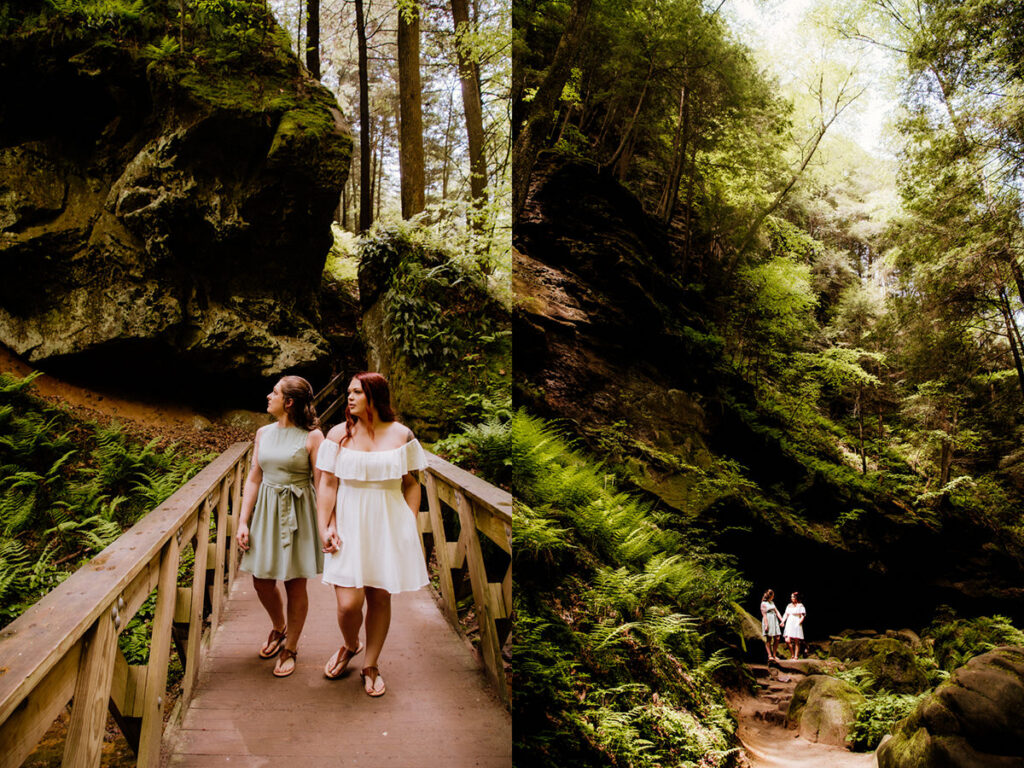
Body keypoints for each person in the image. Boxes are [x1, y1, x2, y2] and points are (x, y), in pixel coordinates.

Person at [315, 372, 429, 697]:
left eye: (356, 392)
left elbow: (411, 484)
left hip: (388, 524)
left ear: (374, 395)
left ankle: (371, 663)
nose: (349, 397)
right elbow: (327, 484)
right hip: (348, 522)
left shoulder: (401, 435)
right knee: (349, 603)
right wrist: (326, 526)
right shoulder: (337, 434)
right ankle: (350, 644)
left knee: (380, 596)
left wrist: (407, 524)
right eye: (348, 392)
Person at [235, 376, 325, 678]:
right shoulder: (263, 433)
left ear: (289, 402)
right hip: (267, 510)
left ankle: (291, 647)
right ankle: (279, 626)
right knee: (261, 580)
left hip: (298, 512)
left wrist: (326, 526)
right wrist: (243, 520)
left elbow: (322, 485)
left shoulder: (313, 437)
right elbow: (254, 478)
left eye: (274, 392)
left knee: (294, 583)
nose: (268, 396)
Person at [760, 589, 784, 662]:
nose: (773, 597)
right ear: (769, 596)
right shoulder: (763, 604)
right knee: (769, 638)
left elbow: (777, 612)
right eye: (773, 596)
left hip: (774, 620)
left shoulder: (772, 602)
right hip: (768, 619)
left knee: (777, 638)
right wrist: (766, 625)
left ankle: (774, 655)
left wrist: (782, 620)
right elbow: (764, 615)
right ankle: (769, 655)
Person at [782, 591, 807, 660]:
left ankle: (796, 656)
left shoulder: (800, 605)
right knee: (787, 640)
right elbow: (786, 614)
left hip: (796, 622)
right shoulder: (789, 605)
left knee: (796, 640)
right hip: (789, 622)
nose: (791, 598)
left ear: (796, 598)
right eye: (791, 597)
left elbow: (802, 616)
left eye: (793, 597)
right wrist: (782, 621)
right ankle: (792, 654)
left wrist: (799, 622)